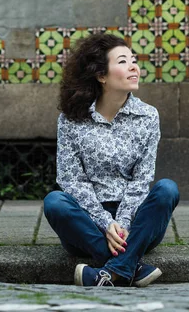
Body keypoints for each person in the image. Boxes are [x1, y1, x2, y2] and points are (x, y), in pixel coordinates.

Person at [43, 33, 180, 287]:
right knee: (55, 202)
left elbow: (142, 179)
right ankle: (129, 266)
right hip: (86, 224)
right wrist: (106, 223)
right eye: (122, 61)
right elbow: (71, 180)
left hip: (137, 224)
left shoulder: (148, 117)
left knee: (167, 189)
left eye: (134, 60)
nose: (133, 66)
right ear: (101, 75)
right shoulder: (72, 119)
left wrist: (124, 223)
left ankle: (108, 273)